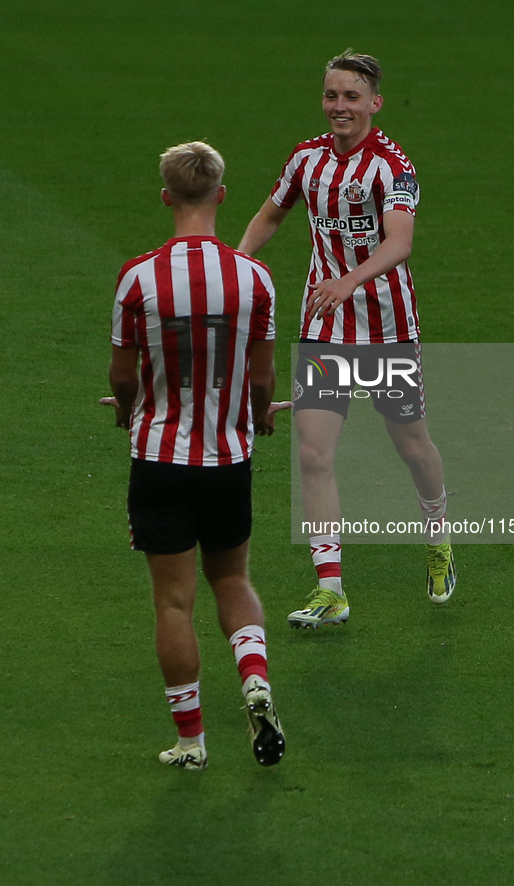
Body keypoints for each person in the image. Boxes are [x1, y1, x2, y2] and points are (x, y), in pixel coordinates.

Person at [238, 50, 456, 629]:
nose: (340, 106)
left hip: (387, 332)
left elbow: (400, 243)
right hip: (325, 330)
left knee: (413, 449)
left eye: (351, 96)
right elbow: (271, 215)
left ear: (375, 103)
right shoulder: (306, 159)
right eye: (332, 95)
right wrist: (235, 265)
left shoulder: (392, 167)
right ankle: (331, 589)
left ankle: (438, 535)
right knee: (312, 454)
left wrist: (348, 280)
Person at [102, 141, 286, 769]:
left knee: (174, 603)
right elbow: (262, 382)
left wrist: (127, 411)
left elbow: (123, 377)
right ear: (221, 196)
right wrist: (259, 416)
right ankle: (255, 680)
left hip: (159, 458)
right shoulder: (254, 278)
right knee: (232, 578)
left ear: (166, 196)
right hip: (228, 460)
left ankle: (191, 741)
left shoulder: (138, 276)